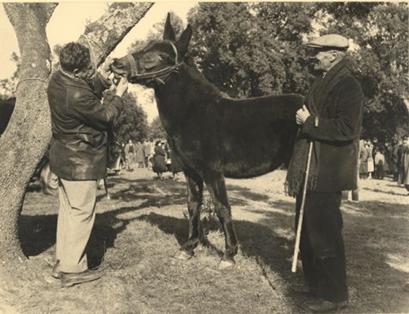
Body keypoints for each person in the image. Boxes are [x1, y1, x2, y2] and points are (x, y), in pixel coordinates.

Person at [286, 34, 364, 312]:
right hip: (309, 168)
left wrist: (310, 122)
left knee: (325, 233)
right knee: (306, 229)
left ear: (334, 55)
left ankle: (335, 295)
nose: (314, 57)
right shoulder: (320, 83)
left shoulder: (349, 86)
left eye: (318, 52)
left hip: (327, 171)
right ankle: (316, 287)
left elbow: (347, 129)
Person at [47, 42, 128, 287]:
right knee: (82, 213)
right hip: (80, 160)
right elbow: (104, 117)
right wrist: (118, 96)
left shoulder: (57, 79)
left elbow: (82, 87)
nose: (91, 71)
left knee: (70, 212)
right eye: (88, 69)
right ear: (78, 71)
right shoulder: (78, 95)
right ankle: (72, 271)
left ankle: (63, 263)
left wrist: (103, 81)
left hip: (63, 157)